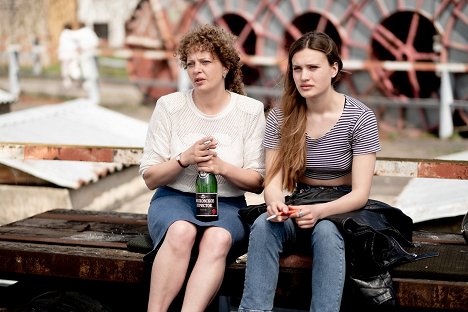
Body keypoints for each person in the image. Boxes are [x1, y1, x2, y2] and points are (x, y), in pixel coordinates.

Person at [238, 31, 385, 312]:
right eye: (297, 68)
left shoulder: (360, 117)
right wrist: (275, 203)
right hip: (301, 201)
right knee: (264, 225)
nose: (304, 76)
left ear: (334, 69)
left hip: (344, 208)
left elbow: (361, 195)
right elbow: (273, 181)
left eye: (313, 67)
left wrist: (320, 212)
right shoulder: (281, 116)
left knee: (328, 233)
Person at [139, 24, 265, 312]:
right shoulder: (169, 106)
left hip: (228, 205)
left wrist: (221, 167)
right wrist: (184, 159)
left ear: (225, 68)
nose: (197, 70)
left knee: (217, 238)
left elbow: (258, 181)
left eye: (206, 62)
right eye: (191, 63)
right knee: (182, 231)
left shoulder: (250, 111)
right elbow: (149, 177)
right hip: (173, 200)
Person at [57, 23, 81, 89]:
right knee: (74, 67)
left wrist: (59, 55)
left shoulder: (63, 34)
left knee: (65, 69)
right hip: (73, 54)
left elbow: (61, 45)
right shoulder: (73, 34)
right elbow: (77, 44)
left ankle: (67, 83)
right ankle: (77, 78)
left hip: (65, 54)